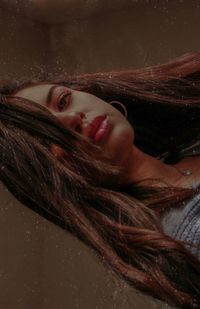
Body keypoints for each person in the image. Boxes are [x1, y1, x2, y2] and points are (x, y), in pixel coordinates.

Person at [1, 51, 200, 308]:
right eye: (49, 135)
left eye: (63, 102)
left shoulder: (187, 146)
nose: (72, 119)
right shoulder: (183, 239)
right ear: (53, 178)